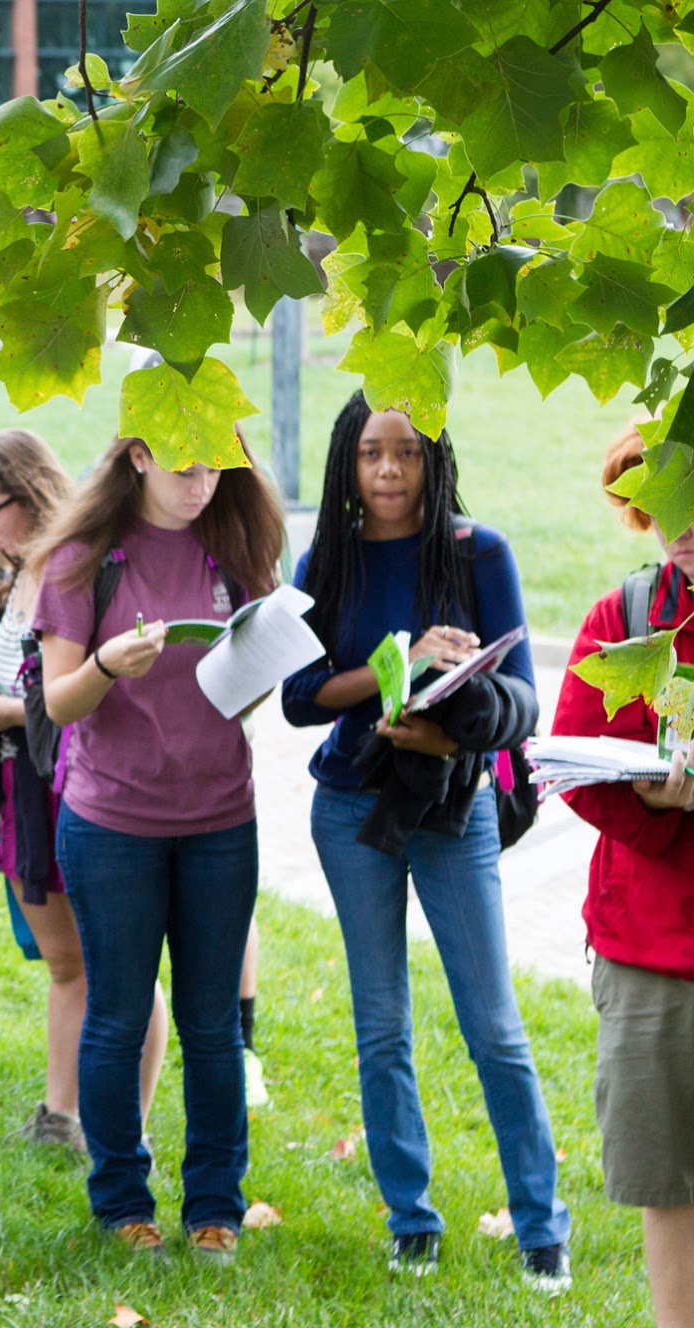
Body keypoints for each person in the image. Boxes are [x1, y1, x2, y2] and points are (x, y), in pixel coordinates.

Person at [280, 394, 569, 1290]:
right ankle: (411, 1218)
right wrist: (395, 663)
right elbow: (296, 697)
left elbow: (524, 699)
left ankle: (540, 1226)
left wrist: (451, 728)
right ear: (347, 462)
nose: (389, 472)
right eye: (370, 454)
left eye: (406, 453)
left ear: (435, 458)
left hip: (452, 809)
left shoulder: (480, 553)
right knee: (382, 1028)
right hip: (350, 811)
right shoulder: (324, 561)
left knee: (495, 1027)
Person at [31, 432, 284, 1263]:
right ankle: (121, 1204)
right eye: (186, 467)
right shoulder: (84, 557)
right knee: (118, 1013)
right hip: (111, 824)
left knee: (214, 1026)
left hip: (220, 818)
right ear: (139, 457)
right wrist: (109, 661)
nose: (202, 484)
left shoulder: (233, 545)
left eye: (217, 468)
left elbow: (252, 687)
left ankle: (216, 1207)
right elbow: (61, 702)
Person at [0, 430, 169, 1154]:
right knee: (68, 965)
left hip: (82, 787)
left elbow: (86, 694)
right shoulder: (24, 572)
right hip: (21, 788)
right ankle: (60, 1118)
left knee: (121, 967)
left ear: (32, 491)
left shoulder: (82, 569)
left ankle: (124, 1126)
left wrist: (4, 708)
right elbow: (30, 683)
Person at [552, 427, 694, 1323]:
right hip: (650, 948)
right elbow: (570, 765)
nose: (686, 525)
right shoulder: (626, 617)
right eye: (668, 504)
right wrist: (654, 806)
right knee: (666, 1176)